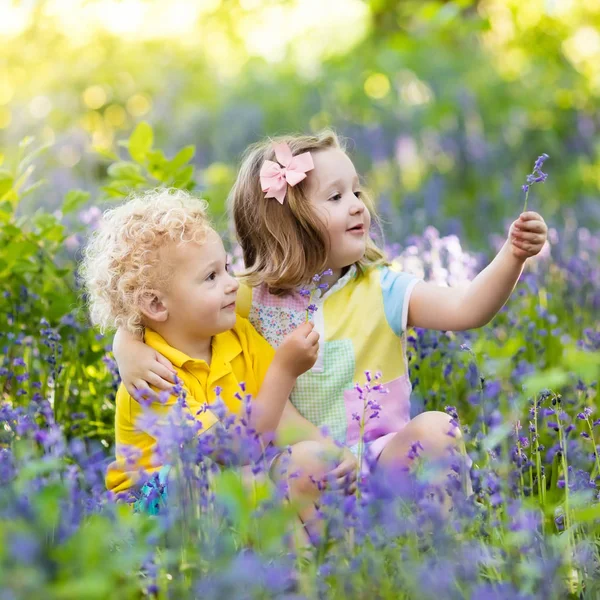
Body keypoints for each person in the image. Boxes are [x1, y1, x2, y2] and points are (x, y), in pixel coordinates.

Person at [113, 130, 548, 525]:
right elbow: (172, 312)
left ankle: (448, 552)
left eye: (356, 190)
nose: (359, 204)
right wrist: (127, 345)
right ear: (288, 223)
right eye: (336, 197)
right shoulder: (248, 297)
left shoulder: (384, 289)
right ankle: (326, 571)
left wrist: (512, 256)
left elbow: (467, 308)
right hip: (304, 471)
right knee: (300, 467)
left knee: (438, 429)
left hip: (380, 465)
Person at [80, 187, 324, 514]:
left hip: (227, 485)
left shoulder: (238, 334)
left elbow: (283, 419)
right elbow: (237, 452)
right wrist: (284, 370)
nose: (232, 284)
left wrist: (332, 455)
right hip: (159, 508)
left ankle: (316, 561)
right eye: (211, 276)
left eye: (226, 267)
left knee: (307, 465)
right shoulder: (153, 377)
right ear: (155, 303)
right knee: (254, 480)